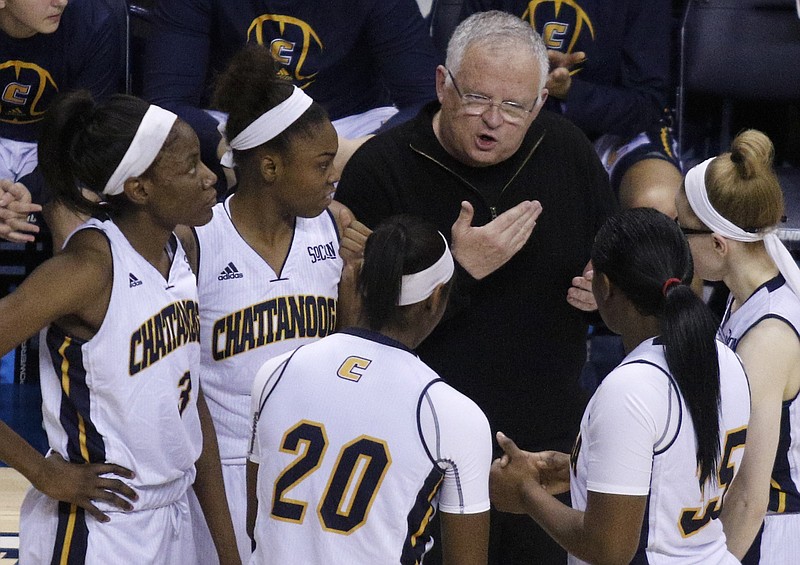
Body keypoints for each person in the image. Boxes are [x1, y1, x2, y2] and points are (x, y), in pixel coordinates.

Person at [335, 9, 615, 563]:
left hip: (537, 452)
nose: (493, 120)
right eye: (477, 99)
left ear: (539, 103)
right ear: (442, 84)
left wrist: (600, 291)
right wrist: (457, 270)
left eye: (514, 107)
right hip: (417, 450)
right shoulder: (381, 169)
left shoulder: (566, 150)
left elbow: (610, 263)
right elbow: (360, 335)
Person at [1, 90, 239, 564]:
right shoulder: (87, 269)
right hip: (100, 527)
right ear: (139, 188)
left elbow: (192, 411)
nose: (211, 177)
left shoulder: (182, 253)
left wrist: (227, 551)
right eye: (191, 166)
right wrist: (43, 474)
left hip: (175, 513)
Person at [183, 45, 370, 563]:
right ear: (268, 166)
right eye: (322, 163)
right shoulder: (199, 242)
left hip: (314, 472)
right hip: (219, 476)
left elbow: (350, 357)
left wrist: (356, 281)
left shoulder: (334, 226)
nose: (335, 175)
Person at [490, 207, 751, 564]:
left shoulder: (630, 388)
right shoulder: (727, 359)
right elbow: (674, 472)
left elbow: (607, 549)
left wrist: (524, 492)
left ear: (605, 287)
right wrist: (578, 470)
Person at [247, 215, 492, 564]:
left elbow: (255, 521)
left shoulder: (274, 372)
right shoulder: (452, 414)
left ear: (359, 282)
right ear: (436, 298)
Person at [144, 0, 441, 195]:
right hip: (236, 126)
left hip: (346, 130)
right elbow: (167, 101)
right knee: (168, 137)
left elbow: (428, 101)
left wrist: (357, 152)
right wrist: (228, 152)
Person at [675, 129, 800, 564]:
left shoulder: (767, 339)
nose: (675, 238)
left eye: (681, 227)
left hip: (770, 536)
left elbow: (749, 498)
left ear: (717, 243)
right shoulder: (740, 294)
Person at [461, 0, 683, 217]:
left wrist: (569, 90)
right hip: (511, 119)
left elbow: (647, 104)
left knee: (659, 202)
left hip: (610, 134)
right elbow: (464, 70)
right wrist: (524, 75)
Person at [0, 0, 124, 245]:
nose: (61, 2)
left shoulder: (94, 21)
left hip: (58, 147)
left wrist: (32, 188)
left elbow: (87, 134)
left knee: (77, 216)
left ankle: (69, 284)